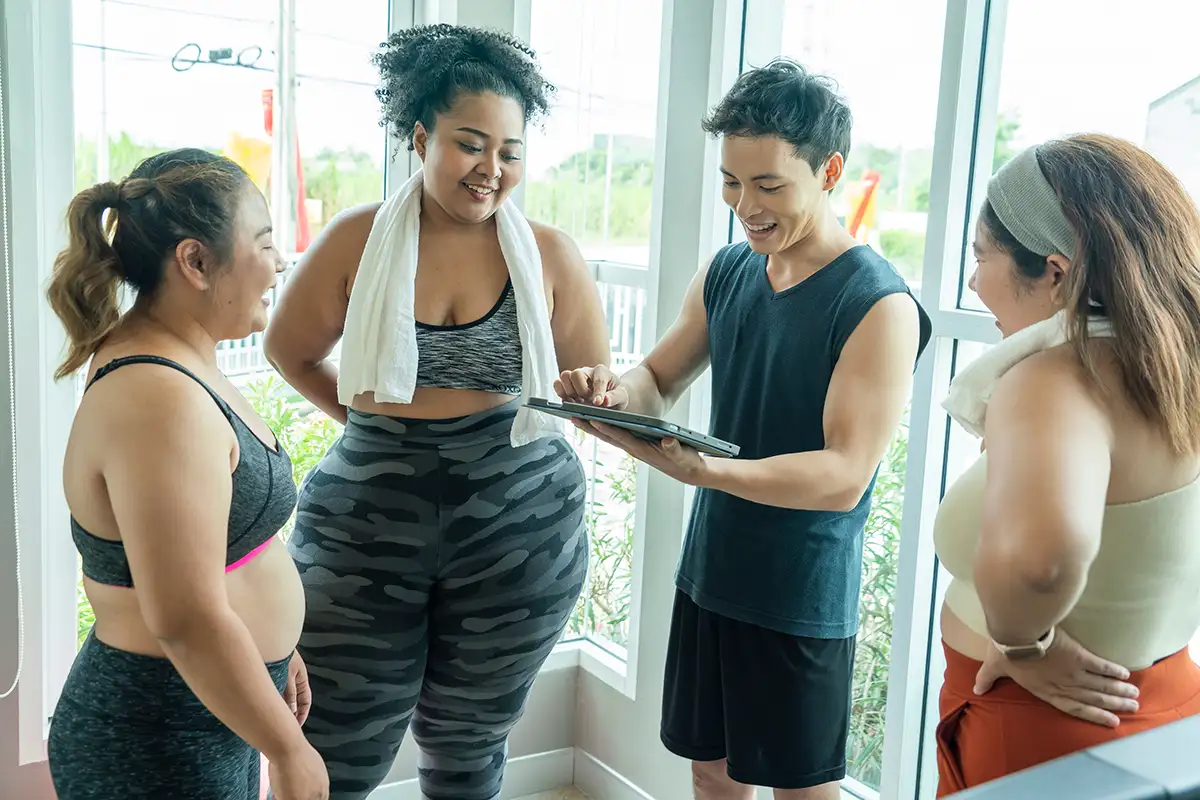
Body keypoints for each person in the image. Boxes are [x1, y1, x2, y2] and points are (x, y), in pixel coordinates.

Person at [557, 59, 931, 799]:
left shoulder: (877, 304)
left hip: (797, 596)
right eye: (732, 182)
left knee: (800, 790)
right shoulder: (729, 270)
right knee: (710, 773)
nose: (744, 206)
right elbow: (657, 380)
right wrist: (607, 390)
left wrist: (706, 472)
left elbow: (844, 474)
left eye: (768, 187)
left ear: (829, 172)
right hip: (713, 573)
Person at [263, 24, 611, 800]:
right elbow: (290, 349)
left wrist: (597, 392)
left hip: (519, 532)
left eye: (510, 151)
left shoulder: (552, 255)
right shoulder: (358, 238)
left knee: (469, 747)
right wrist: (370, 428)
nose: (491, 169)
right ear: (420, 137)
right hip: (365, 528)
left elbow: (590, 386)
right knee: (335, 742)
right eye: (469, 143)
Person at [44, 149, 328, 800]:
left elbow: (221, 551)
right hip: (156, 734)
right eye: (263, 242)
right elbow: (185, 616)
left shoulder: (182, 358)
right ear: (196, 262)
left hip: (200, 712)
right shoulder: (157, 395)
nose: (280, 261)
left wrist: (275, 653)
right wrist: (289, 753)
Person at [932, 134, 1200, 795]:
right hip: (1161, 711)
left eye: (981, 258)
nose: (973, 282)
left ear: (1054, 273)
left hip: (1042, 728)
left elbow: (1039, 559)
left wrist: (1028, 645)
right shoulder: (1174, 366)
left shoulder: (1059, 377)